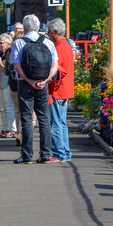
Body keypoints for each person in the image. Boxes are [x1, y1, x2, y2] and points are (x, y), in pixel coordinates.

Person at [10, 14, 58, 164]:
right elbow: (55, 65)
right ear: (38, 28)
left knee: (27, 118)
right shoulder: (48, 42)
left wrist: (30, 81)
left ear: (24, 28)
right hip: (43, 85)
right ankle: (45, 155)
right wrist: (45, 80)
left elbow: (16, 66)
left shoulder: (19, 42)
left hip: (25, 84)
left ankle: (27, 156)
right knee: (44, 118)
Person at [47, 18, 75, 162]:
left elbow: (58, 71)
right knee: (61, 123)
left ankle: (59, 153)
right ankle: (64, 152)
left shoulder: (59, 48)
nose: (48, 35)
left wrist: (49, 82)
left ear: (55, 32)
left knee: (56, 123)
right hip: (64, 89)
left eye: (49, 32)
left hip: (58, 90)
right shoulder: (66, 45)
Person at [0, 33, 16, 138]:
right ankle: (5, 128)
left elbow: (10, 69)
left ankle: (14, 129)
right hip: (2, 82)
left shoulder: (10, 52)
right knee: (2, 107)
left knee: (9, 106)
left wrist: (1, 65)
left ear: (8, 43)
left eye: (1, 43)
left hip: (8, 82)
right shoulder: (2, 53)